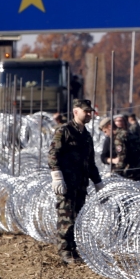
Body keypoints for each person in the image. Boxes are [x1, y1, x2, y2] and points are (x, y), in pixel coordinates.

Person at [49, 99, 104, 265]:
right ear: (75, 111)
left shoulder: (86, 136)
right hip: (66, 183)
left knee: (78, 218)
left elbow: (90, 163)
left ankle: (73, 250)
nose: (89, 114)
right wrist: (57, 176)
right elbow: (53, 154)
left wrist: (98, 183)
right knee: (66, 218)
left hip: (81, 184)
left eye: (90, 112)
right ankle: (65, 251)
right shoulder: (64, 131)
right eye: (86, 111)